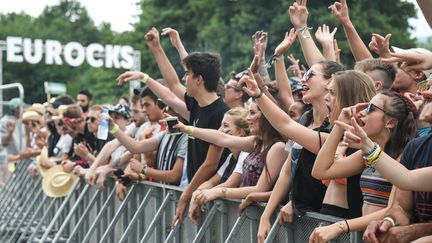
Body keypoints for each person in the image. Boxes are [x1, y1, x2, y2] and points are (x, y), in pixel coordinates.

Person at [117, 27, 230, 226]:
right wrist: (155, 50)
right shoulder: (197, 104)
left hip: (214, 199)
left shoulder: (220, 114)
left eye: (188, 74)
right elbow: (171, 84)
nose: (184, 79)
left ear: (199, 79)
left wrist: (186, 195)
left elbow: (211, 164)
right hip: (199, 194)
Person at [309, 91, 417, 242]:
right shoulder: (367, 154)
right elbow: (321, 171)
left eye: (370, 108)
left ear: (390, 122)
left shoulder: (403, 156)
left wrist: (341, 226)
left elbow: (393, 210)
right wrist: (340, 124)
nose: (361, 114)